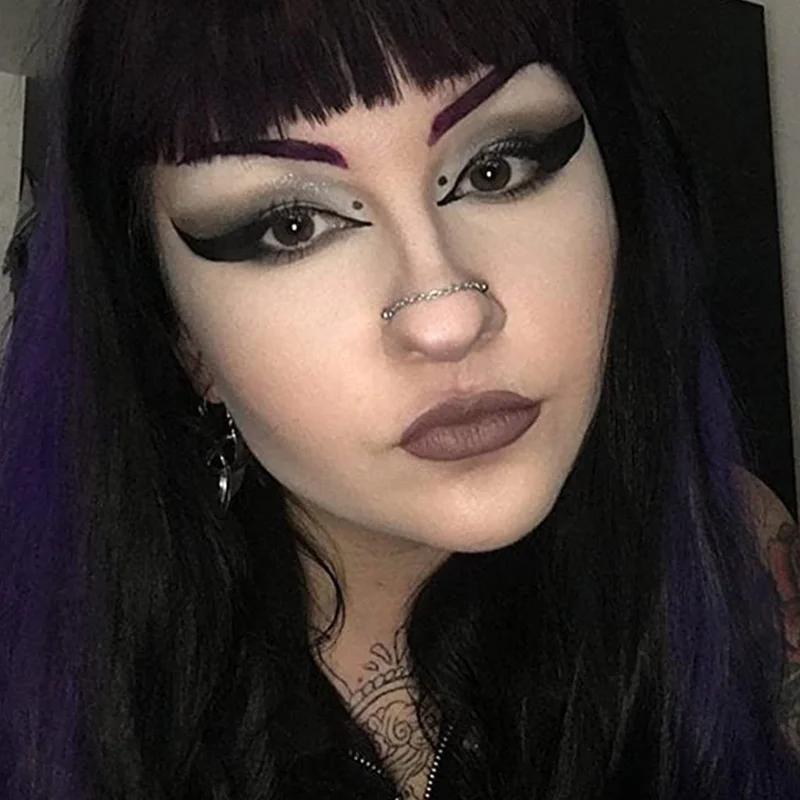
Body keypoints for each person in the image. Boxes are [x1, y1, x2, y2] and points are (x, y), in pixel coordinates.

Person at [1, 0, 799, 797]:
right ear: (180, 335)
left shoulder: (747, 573)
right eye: (291, 225)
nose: (447, 320)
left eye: (497, 168)